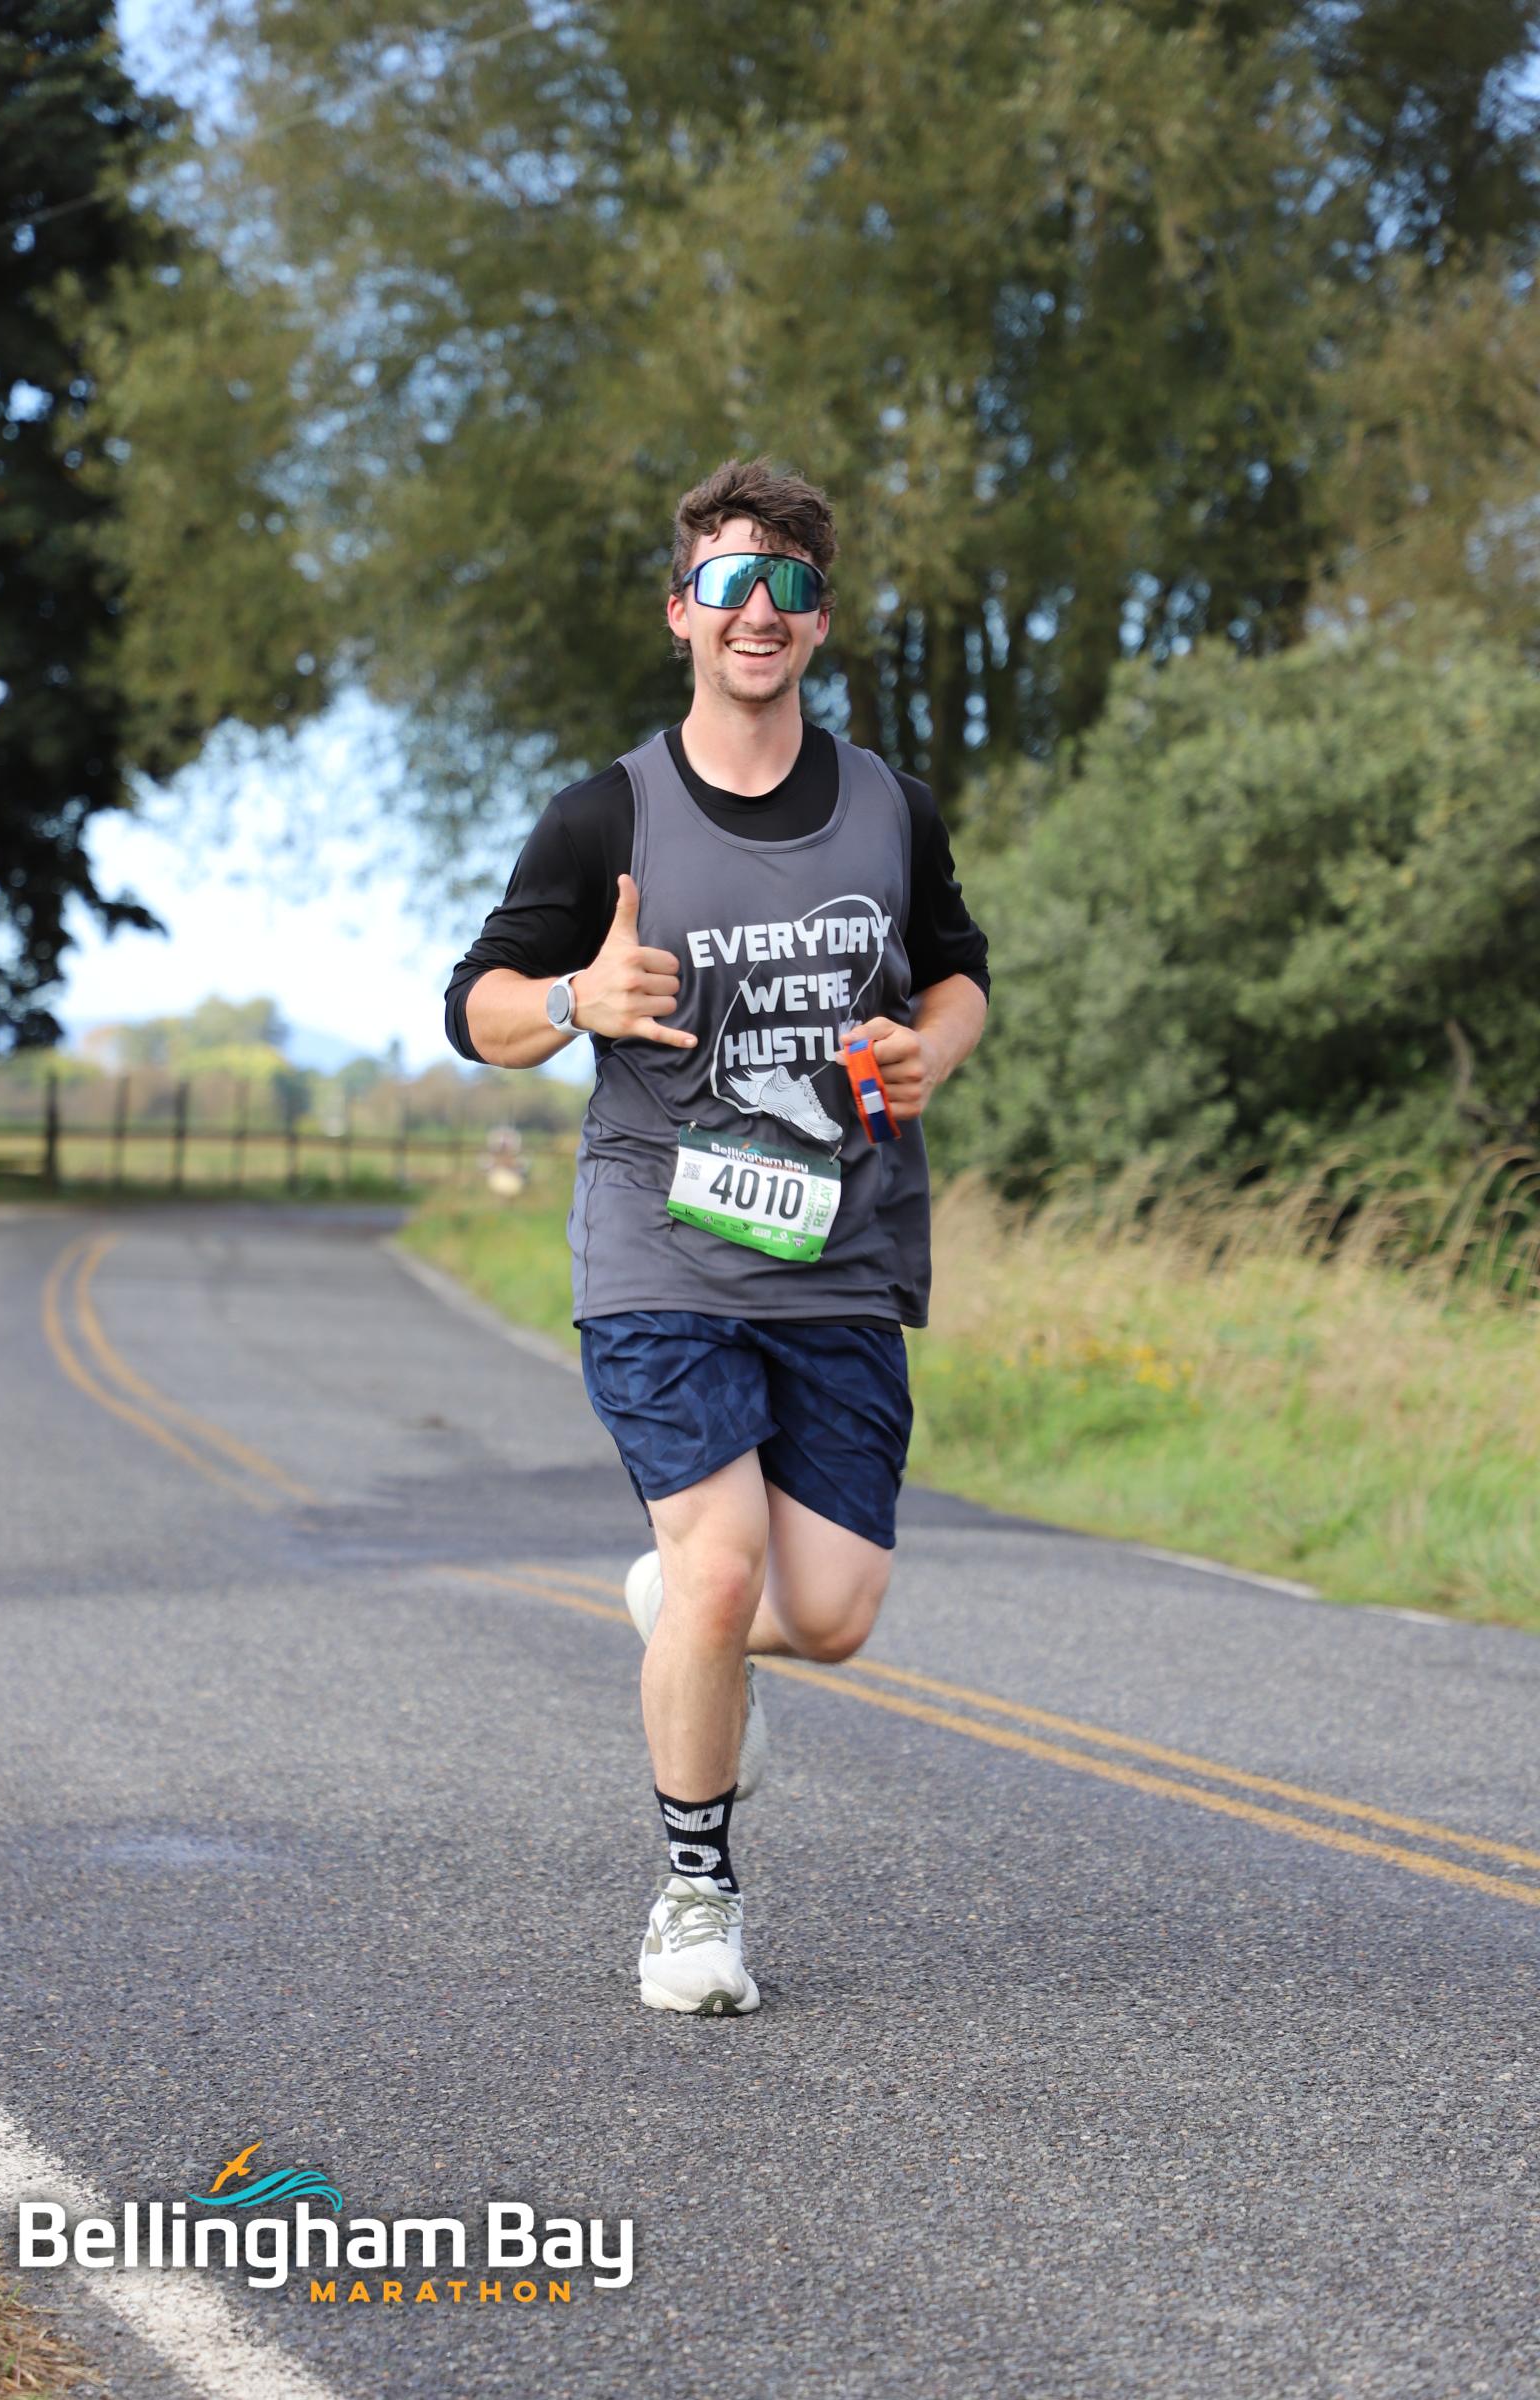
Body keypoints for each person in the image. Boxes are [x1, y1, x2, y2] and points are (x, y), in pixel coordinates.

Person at [444, 456, 989, 2015]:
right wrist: (575, 998)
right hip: (659, 1250)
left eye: (790, 584)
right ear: (681, 611)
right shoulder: (604, 815)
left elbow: (957, 974)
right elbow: (475, 1007)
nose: (761, 610)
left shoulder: (891, 809)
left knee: (830, 1615)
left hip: (842, 1257)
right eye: (731, 581)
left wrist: (932, 1049)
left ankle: (687, 1616)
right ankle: (695, 1899)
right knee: (723, 1561)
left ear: (819, 621)